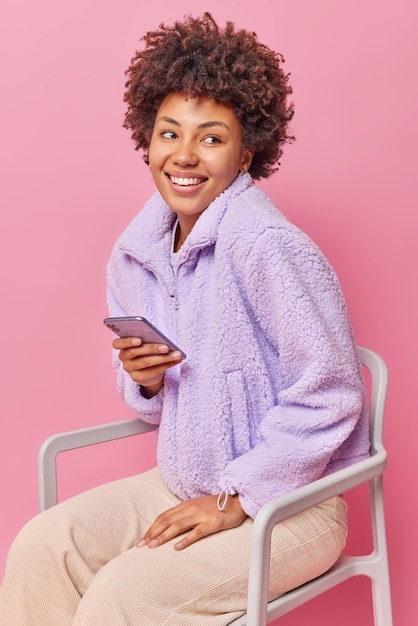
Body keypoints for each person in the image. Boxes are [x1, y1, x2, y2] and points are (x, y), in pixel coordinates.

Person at [0, 12, 369, 625]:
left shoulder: (267, 246)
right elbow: (151, 407)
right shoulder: (138, 252)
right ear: (147, 138)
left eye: (212, 137)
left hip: (292, 505)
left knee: (125, 596)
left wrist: (236, 497)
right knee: (42, 549)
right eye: (170, 133)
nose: (185, 155)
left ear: (247, 151)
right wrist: (144, 378)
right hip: (184, 484)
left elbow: (331, 392)